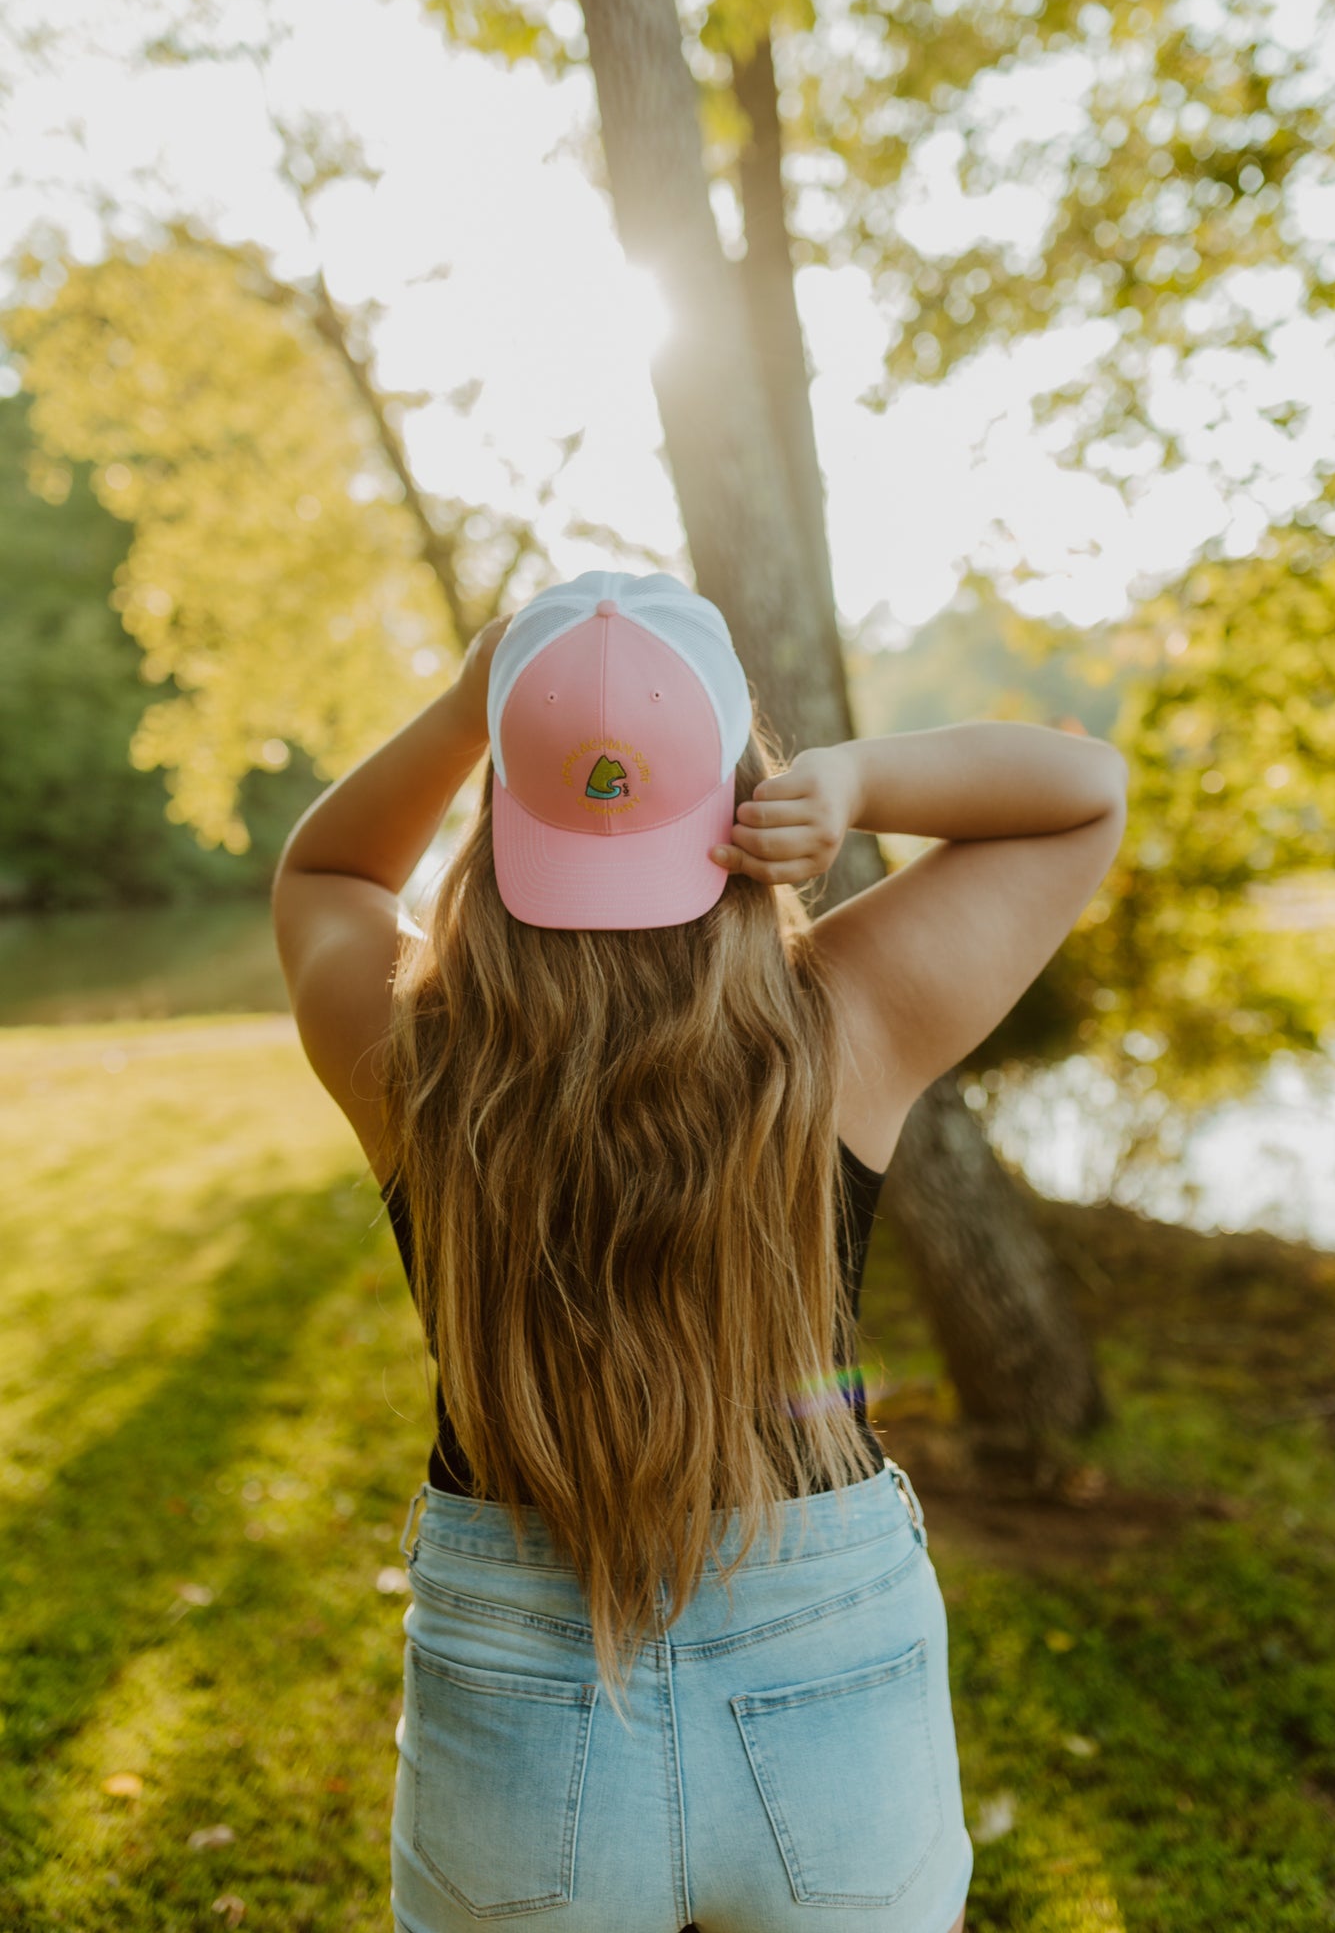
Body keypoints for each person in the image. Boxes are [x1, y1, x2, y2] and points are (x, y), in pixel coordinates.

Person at [272, 568, 1128, 1933]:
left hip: (513, 1686)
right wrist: (849, 782)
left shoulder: (407, 1056)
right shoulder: (845, 1024)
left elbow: (326, 870)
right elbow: (1079, 794)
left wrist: (463, 706)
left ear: (505, 805)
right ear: (734, 780)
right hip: (827, 1660)